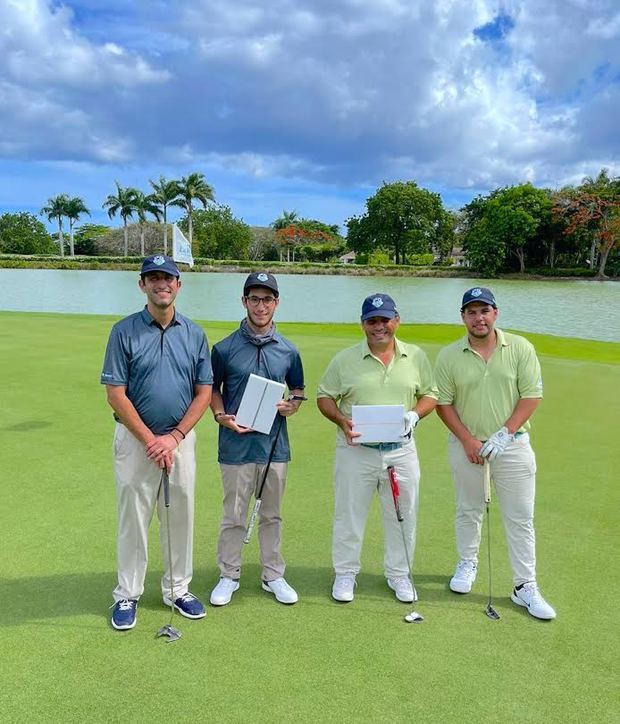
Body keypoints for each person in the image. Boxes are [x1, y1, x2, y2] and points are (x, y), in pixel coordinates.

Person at [101, 255, 213, 630]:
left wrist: (175, 437)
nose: (161, 284)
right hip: (136, 442)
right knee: (133, 517)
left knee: (180, 514)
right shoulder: (123, 331)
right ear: (142, 285)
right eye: (153, 278)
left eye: (168, 278)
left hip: (180, 440)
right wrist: (152, 440)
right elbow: (116, 393)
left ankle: (177, 589)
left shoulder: (195, 333)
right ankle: (128, 593)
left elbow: (203, 392)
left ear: (179, 285)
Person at [434, 287, 556, 620]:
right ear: (463, 317)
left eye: (484, 311)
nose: (479, 318)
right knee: (468, 509)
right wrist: (468, 441)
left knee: (520, 518)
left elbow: (531, 395)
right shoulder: (448, 355)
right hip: (466, 447)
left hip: (513, 447)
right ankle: (467, 563)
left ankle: (524, 586)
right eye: (471, 312)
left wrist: (505, 433)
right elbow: (443, 404)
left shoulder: (520, 348)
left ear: (495, 313)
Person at [316, 293, 437, 603]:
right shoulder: (345, 360)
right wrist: (342, 420)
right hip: (356, 451)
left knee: (402, 514)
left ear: (396, 321)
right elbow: (324, 397)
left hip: (401, 450)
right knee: (349, 515)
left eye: (385, 320)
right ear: (362, 324)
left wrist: (414, 414)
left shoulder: (416, 357)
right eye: (372, 321)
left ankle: (399, 574)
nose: (379, 326)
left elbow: (430, 395)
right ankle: (345, 574)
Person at [209, 272, 305, 606]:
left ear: (276, 303)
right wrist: (222, 417)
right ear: (244, 302)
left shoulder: (289, 351)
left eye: (267, 299)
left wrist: (290, 406)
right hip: (235, 445)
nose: (260, 306)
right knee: (234, 514)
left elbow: (297, 392)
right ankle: (228, 574)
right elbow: (212, 392)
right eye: (254, 299)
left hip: (275, 447)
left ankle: (273, 575)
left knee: (272, 515)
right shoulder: (223, 348)